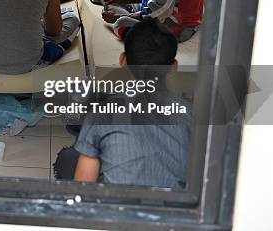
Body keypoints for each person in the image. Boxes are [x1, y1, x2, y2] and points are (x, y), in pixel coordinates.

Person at [53, 20, 191, 189]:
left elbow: (84, 188)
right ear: (173, 67)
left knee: (67, 159)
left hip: (118, 210)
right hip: (174, 210)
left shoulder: (103, 114)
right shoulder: (193, 115)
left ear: (123, 60)